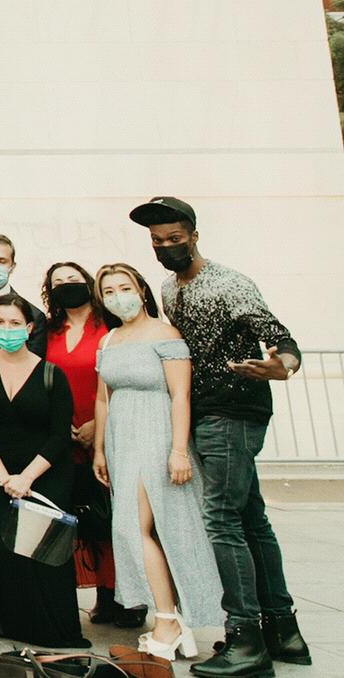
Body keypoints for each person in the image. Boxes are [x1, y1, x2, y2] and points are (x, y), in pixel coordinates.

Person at [133, 195, 308, 675]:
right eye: (157, 241)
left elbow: (281, 338)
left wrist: (281, 367)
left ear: (193, 233)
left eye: (174, 238)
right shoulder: (169, 289)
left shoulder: (229, 283)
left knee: (222, 520)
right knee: (252, 519)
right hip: (205, 413)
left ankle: (244, 638)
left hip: (234, 412)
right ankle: (282, 630)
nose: (166, 247)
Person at [92, 262, 224, 661]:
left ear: (141, 289)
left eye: (124, 287)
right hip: (121, 440)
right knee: (131, 528)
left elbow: (181, 395)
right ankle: (169, 618)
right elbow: (103, 398)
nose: (118, 297)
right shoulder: (110, 339)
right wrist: (99, 448)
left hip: (157, 435)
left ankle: (167, 620)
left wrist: (179, 449)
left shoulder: (166, 335)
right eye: (109, 291)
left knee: (141, 527)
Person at [0, 294, 86, 650]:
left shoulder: (51, 374)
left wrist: (26, 479)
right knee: (0, 549)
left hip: (45, 472)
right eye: (0, 322)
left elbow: (60, 434)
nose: (7, 329)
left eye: (15, 323)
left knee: (44, 554)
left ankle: (55, 632)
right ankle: (14, 626)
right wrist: (4, 477)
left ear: (29, 328)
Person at [40, 259, 131, 628]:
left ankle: (123, 594)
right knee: (84, 518)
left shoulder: (109, 324)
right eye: (58, 282)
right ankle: (97, 593)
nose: (67, 285)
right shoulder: (48, 330)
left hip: (109, 432)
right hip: (64, 436)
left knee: (115, 517)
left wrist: (100, 424)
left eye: (73, 279)